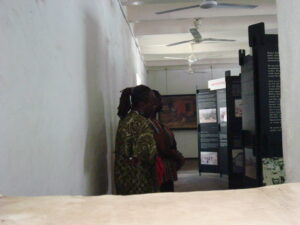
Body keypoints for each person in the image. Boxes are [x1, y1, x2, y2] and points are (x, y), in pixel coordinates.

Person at [114, 85, 158, 195]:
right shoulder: (141, 122)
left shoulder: (125, 120)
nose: (154, 107)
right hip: (139, 180)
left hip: (123, 178)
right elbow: (149, 153)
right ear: (142, 104)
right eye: (152, 103)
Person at [149, 90, 185, 192]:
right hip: (161, 171)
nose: (161, 103)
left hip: (166, 171)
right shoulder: (150, 124)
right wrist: (178, 157)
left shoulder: (156, 122)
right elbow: (163, 147)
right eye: (158, 100)